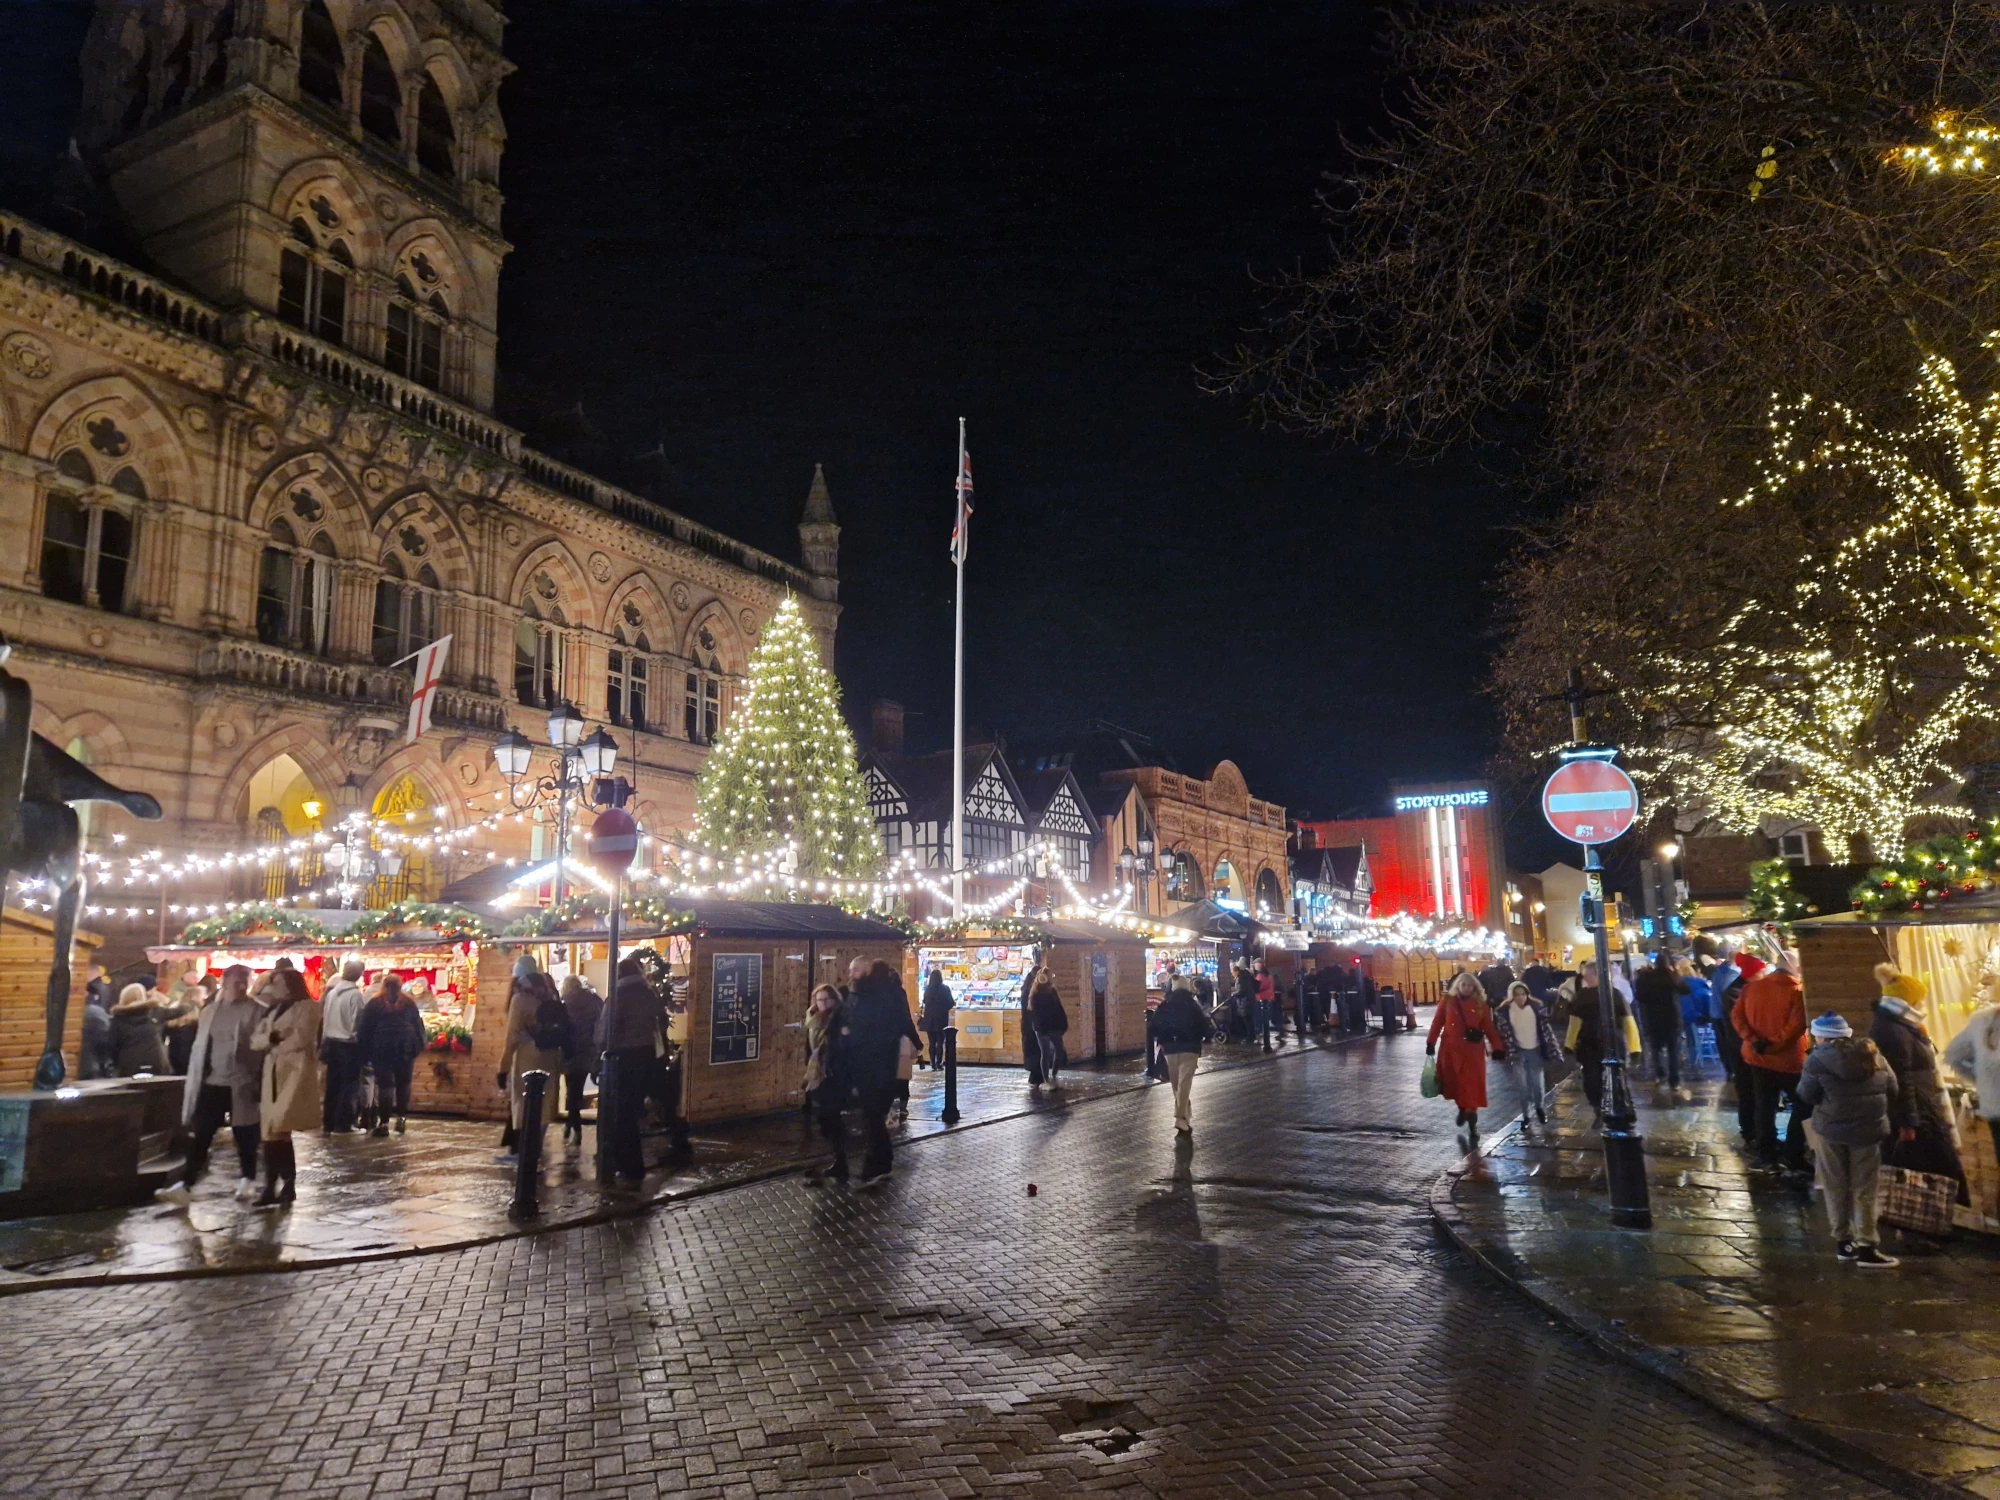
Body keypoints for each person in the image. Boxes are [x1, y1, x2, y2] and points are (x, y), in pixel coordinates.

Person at [1796, 1010, 1900, 1267]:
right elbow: (1893, 1087)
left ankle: (1844, 1244)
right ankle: (1867, 1247)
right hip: (1869, 1131)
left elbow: (1806, 1094)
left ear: (1822, 1037)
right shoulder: (1873, 1054)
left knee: (1835, 1185)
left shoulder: (1816, 1060)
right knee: (1865, 1189)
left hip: (1830, 1130)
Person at [155, 964, 262, 1205]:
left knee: (245, 1133)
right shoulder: (210, 1011)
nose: (241, 987)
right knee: (202, 1132)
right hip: (213, 1081)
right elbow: (202, 1045)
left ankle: (248, 1178)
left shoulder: (257, 1010)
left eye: (244, 982)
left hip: (242, 1082)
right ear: (225, 982)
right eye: (236, 982)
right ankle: (186, 1183)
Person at [1870, 962, 1968, 1204]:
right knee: (1934, 1170)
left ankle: (1937, 1212)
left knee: (1933, 1168)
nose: (1923, 1004)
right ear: (1907, 1002)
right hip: (1918, 1114)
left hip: (1923, 1108)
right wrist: (1908, 1122)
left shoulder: (1903, 1026)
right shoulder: (1894, 1031)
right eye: (1919, 1000)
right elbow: (1902, 1078)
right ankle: (1934, 1213)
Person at [249, 963, 321, 1208]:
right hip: (271, 1074)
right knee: (271, 1132)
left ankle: (285, 1184)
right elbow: (255, 1039)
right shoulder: (273, 1010)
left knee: (280, 1126)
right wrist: (273, 1038)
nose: (273, 988)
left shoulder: (308, 1007)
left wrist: (276, 1043)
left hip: (293, 1074)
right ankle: (275, 1185)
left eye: (277, 983)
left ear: (289, 985)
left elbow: (302, 1037)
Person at [1737, 948, 1810, 1176]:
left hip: (1757, 1058)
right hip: (1790, 1061)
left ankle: (1766, 1154)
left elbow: (1736, 1017)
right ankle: (1793, 1153)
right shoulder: (1797, 992)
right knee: (1803, 1105)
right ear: (1796, 968)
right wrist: (1773, 1044)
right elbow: (1796, 1026)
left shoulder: (1751, 988)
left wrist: (1755, 1041)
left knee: (1764, 1105)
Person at [835, 957, 908, 1187]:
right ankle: (880, 1163)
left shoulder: (880, 996)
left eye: (856, 970)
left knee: (873, 1116)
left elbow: (883, 1030)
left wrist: (851, 1034)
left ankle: (877, 1165)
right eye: (850, 970)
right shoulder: (856, 995)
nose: (851, 974)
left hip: (877, 1067)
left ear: (866, 970)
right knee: (872, 1116)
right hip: (864, 1065)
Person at [598, 954, 667, 1185]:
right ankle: (629, 1163)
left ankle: (629, 1164)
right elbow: (659, 1022)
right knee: (633, 1109)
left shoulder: (619, 996)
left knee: (621, 1112)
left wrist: (598, 1056)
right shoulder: (648, 993)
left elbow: (607, 1030)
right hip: (646, 1054)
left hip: (623, 1056)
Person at [1427, 972, 1509, 1147]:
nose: (1466, 988)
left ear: (1474, 988)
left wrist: (1497, 1047)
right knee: (1456, 1084)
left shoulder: (1480, 1005)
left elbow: (1489, 1027)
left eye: (1469, 986)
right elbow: (1437, 1022)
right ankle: (1462, 1109)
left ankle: (1472, 1121)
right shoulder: (1447, 1002)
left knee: (1471, 1086)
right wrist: (1430, 1042)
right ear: (1458, 985)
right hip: (1451, 1051)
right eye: (1463, 985)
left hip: (1472, 1053)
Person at [499, 970, 566, 1161]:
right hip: (551, 1056)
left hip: (527, 1058)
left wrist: (503, 1068)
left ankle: (524, 1154)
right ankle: (535, 1149)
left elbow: (511, 1037)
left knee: (523, 1105)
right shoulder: (551, 996)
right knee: (543, 1106)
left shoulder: (520, 1000)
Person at [1560, 960, 1638, 1121]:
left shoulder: (1611, 994)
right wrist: (1569, 1045)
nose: (1583, 978)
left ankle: (1610, 1108)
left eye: (1586, 975)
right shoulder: (1593, 995)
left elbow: (1628, 1021)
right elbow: (1575, 1022)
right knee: (1594, 1079)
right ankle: (1601, 1108)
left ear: (1595, 975)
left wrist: (1635, 1048)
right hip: (1594, 1044)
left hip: (1605, 1044)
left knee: (1607, 1078)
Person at [357, 973, 426, 1137]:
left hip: (382, 1048)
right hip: (405, 1048)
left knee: (385, 1085)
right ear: (401, 986)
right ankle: (401, 1118)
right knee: (404, 1083)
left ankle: (384, 1123)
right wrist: (417, 1048)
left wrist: (365, 1052)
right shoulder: (409, 1003)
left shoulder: (375, 1003)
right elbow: (419, 1027)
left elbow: (364, 1029)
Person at [1152, 974, 1215, 1135]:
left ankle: (1185, 1116)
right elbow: (1203, 1026)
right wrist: (1204, 1036)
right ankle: (1181, 1117)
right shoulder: (1192, 1005)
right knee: (1184, 1084)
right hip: (1190, 1048)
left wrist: (1163, 1039)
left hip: (1170, 1049)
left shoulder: (1165, 1005)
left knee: (1176, 1085)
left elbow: (1155, 1026)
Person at [1497, 980, 1562, 1127]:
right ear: (1511, 996)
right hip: (1518, 1052)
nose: (1521, 997)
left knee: (1538, 1083)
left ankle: (1539, 1108)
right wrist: (1507, 1050)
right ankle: (1526, 1115)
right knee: (1522, 1086)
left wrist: (1552, 1048)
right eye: (1517, 994)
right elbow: (1503, 1034)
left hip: (1535, 1050)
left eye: (1523, 994)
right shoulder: (1505, 1012)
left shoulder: (1536, 1008)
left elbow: (1546, 1030)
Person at [1714, 951, 1759, 1143]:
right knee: (1746, 1089)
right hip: (1740, 1048)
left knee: (1753, 1090)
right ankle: (1748, 1131)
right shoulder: (1735, 992)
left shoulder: (1745, 989)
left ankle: (1755, 1129)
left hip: (1747, 1046)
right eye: (1760, 971)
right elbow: (1740, 1023)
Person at [318, 957, 367, 1134]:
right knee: (349, 1085)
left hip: (332, 1043)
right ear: (359, 975)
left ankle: (328, 1122)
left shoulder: (332, 994)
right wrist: (358, 1040)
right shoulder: (355, 995)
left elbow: (325, 1019)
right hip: (348, 1046)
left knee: (332, 1085)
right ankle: (343, 1124)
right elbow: (358, 1022)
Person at [804, 983, 846, 1174]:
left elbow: (843, 1046)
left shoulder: (839, 1019)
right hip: (818, 1073)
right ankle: (839, 1159)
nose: (822, 1003)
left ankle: (840, 1161)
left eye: (826, 999)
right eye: (819, 999)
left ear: (834, 1000)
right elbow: (810, 1047)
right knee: (825, 1119)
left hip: (835, 1074)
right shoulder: (813, 1020)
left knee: (830, 1117)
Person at [559, 974, 604, 1144]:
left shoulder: (564, 1004)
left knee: (571, 1089)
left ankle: (575, 1127)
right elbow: (599, 1025)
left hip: (569, 1051)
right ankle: (571, 1124)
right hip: (587, 1051)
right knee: (576, 1090)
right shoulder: (593, 1001)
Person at [1633, 951, 1683, 1091]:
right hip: (1672, 1018)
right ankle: (1674, 1080)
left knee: (1656, 1049)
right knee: (1674, 1050)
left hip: (1653, 1018)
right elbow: (1685, 990)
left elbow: (1639, 997)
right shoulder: (1672, 976)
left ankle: (1660, 1074)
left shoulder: (1647, 978)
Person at [108, 982, 168, 1076]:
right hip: (156, 1066)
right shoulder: (152, 1016)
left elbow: (113, 1047)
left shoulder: (118, 1021)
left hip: (128, 1068)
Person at [1026, 967, 1069, 1086]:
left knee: (1057, 1051)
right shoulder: (1036, 993)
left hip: (1052, 1026)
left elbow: (1058, 1008)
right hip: (1044, 1028)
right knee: (1046, 1053)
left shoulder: (1049, 991)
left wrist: (1062, 1023)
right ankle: (1047, 1079)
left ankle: (1053, 1074)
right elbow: (1036, 1013)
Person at [1677, 957, 1715, 1071]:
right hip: (1698, 1016)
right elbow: (1707, 1001)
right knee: (1691, 1032)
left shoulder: (1676, 985)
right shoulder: (1700, 983)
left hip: (1679, 1017)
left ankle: (1687, 1057)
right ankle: (1694, 1059)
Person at [79, 977, 115, 1080]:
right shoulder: (96, 1012)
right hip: (94, 1064)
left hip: (82, 1064)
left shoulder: (82, 1012)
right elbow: (106, 1038)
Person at [920, 966, 953, 1070]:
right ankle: (939, 1063)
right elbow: (950, 1003)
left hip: (929, 1019)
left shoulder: (928, 990)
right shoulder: (945, 989)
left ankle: (932, 1063)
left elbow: (925, 1001)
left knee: (931, 1042)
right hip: (941, 1019)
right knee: (940, 1042)